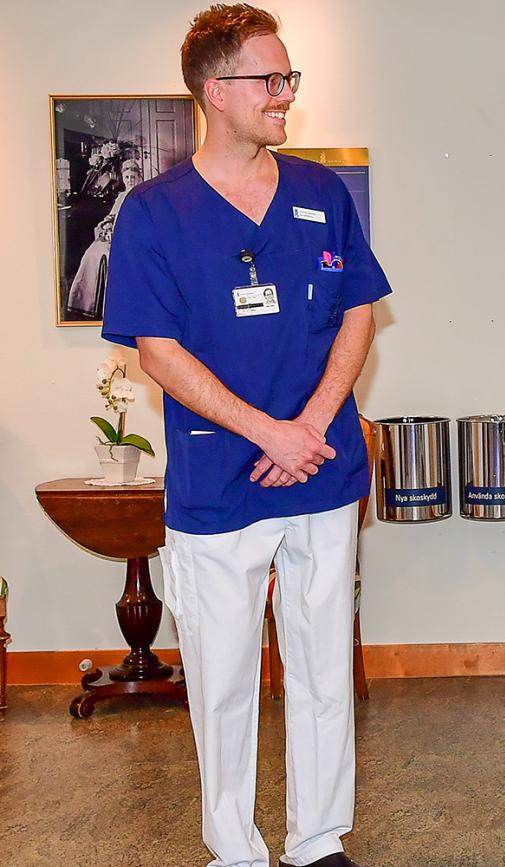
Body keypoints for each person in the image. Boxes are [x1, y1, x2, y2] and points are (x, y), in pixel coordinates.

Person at [101, 6, 391, 867]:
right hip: (216, 481)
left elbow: (360, 313)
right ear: (213, 91)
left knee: (321, 662)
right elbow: (158, 351)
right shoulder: (154, 212)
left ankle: (317, 837)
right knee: (222, 680)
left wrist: (307, 429)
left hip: (322, 471)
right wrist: (269, 429)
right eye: (270, 79)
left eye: (289, 77)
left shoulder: (320, 192)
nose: (285, 94)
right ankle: (234, 846)